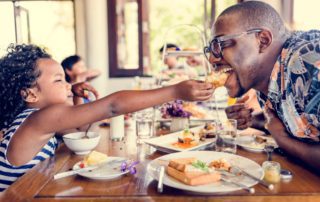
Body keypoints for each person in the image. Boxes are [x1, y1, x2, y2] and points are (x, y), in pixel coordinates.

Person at [0, 44, 213, 191]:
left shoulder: (38, 119)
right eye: (59, 81)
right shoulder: (40, 119)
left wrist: (75, 97)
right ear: (30, 94)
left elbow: (80, 134)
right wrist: (174, 92)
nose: (68, 84)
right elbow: (112, 106)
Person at [206, 1, 320, 172]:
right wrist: (258, 121)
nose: (212, 59)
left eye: (220, 44)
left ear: (262, 41)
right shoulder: (268, 76)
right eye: (210, 49)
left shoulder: (310, 64)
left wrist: (283, 140)